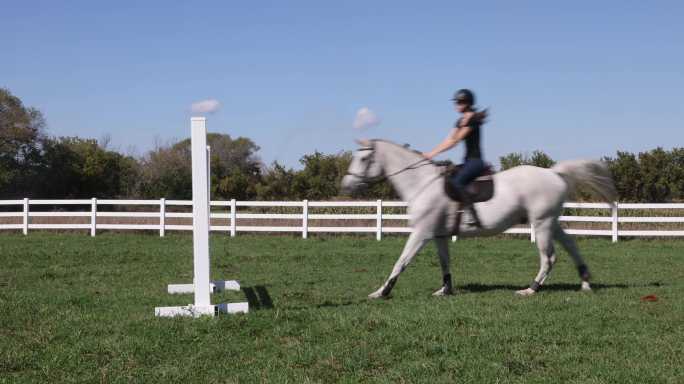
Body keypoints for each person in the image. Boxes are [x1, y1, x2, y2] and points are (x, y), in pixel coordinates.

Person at [422, 89, 488, 225]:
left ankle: (472, 215)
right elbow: (448, 140)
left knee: (457, 183)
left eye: (459, 102)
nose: (456, 105)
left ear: (467, 103)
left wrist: (431, 154)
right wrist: (430, 152)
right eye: (456, 102)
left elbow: (455, 140)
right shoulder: (460, 121)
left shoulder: (473, 119)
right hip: (466, 162)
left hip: (476, 162)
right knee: (447, 178)